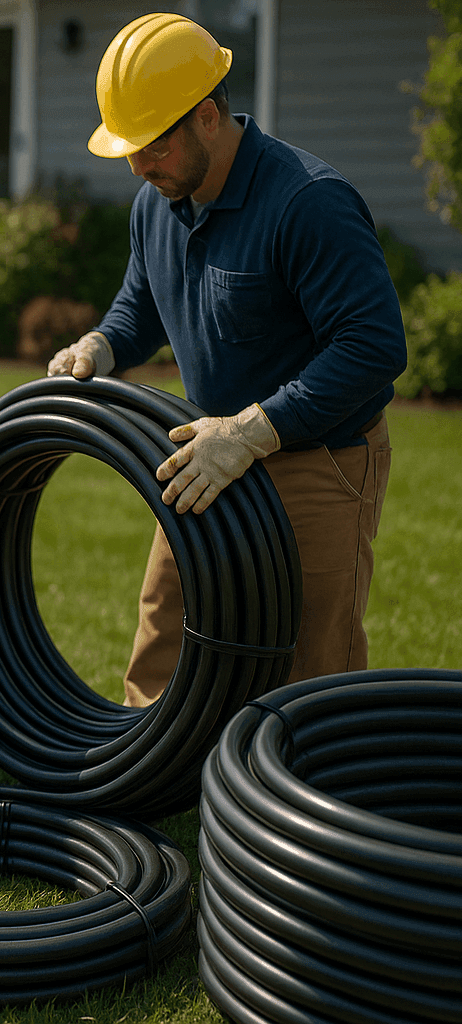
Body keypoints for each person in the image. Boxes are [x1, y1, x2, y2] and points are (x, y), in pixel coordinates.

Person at [49, 13, 407, 706]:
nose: (137, 167)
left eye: (152, 145)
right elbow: (141, 307)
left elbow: (373, 346)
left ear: (207, 118)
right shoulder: (157, 202)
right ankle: (151, 763)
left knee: (311, 660)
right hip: (208, 453)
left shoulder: (307, 201)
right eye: (129, 150)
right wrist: (101, 345)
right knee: (167, 628)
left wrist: (251, 432)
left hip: (319, 458)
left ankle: (297, 772)